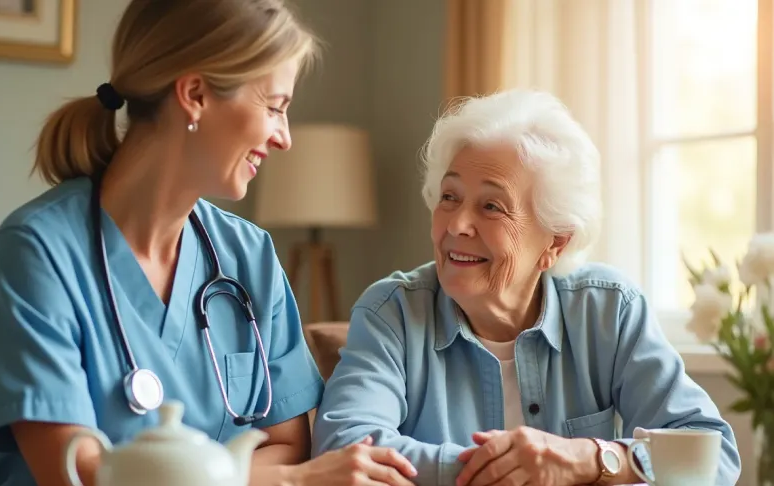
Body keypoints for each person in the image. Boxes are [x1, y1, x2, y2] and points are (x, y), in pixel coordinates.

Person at [0, 1, 418, 486]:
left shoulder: (249, 256)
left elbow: (290, 446)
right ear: (195, 93)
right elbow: (78, 474)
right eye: (274, 106)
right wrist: (283, 481)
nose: (284, 137)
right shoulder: (37, 254)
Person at [312, 89, 742, 486]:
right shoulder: (393, 313)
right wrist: (503, 469)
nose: (457, 225)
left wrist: (586, 459)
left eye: (491, 206)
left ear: (555, 242)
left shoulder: (607, 310)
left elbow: (710, 452)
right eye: (449, 197)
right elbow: (345, 449)